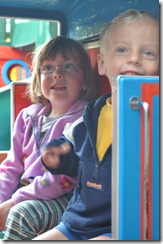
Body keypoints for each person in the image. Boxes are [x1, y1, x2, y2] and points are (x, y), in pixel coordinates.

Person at [33, 9, 159, 240]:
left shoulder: (153, 115)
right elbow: (76, 157)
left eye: (148, 52)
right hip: (78, 220)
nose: (134, 58)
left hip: (119, 227)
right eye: (122, 50)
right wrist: (57, 158)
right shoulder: (91, 113)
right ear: (102, 64)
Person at [0, 36, 97, 240]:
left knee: (21, 214)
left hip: (68, 197)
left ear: (85, 79)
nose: (57, 75)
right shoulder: (28, 117)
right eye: (48, 68)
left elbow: (63, 179)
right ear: (38, 77)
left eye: (68, 67)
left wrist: (14, 201)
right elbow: (11, 167)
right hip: (28, 192)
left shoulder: (85, 119)